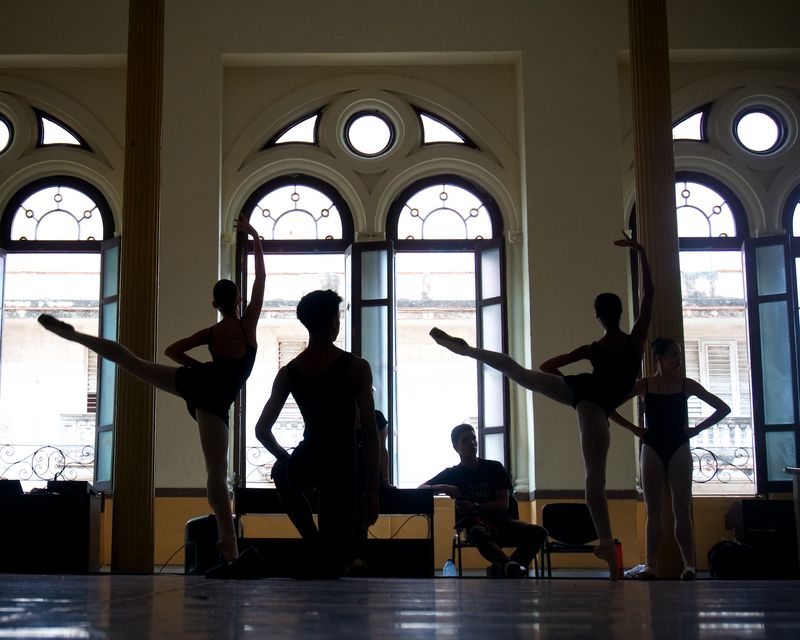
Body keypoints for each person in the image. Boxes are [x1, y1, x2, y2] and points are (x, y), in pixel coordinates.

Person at [37, 216, 265, 563]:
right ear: (238, 299)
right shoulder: (248, 325)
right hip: (214, 399)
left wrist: (198, 367)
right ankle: (229, 544)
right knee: (216, 472)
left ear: (214, 304)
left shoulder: (211, 333)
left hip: (198, 384)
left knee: (133, 362)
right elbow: (261, 278)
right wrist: (254, 236)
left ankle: (77, 336)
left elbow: (171, 351)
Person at [430, 233, 653, 580]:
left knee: (519, 372)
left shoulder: (593, 348)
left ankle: (468, 350)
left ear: (597, 316)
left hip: (582, 393)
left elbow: (547, 366)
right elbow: (649, 295)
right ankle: (607, 545)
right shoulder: (636, 340)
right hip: (595, 402)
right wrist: (640, 253)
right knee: (595, 477)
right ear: (621, 313)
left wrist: (573, 384)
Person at [251, 289, 380, 578]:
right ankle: (261, 563)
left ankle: (310, 543)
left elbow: (262, 430)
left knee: (282, 472)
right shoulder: (356, 367)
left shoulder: (290, 372)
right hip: (343, 467)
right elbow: (370, 432)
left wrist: (285, 459)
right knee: (333, 564)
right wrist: (373, 490)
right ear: (333, 322)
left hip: (308, 459)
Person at [610, 337, 731, 580]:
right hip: (652, 445)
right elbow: (609, 406)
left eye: (679, 354)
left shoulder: (686, 385)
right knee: (653, 509)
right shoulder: (644, 385)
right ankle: (651, 565)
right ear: (659, 358)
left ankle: (689, 565)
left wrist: (696, 429)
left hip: (679, 445)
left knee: (681, 507)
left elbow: (723, 408)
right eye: (674, 354)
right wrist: (635, 429)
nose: (679, 359)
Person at [419, 424, 547, 578]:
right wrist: (442, 487)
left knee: (539, 532)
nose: (472, 442)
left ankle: (505, 567)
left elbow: (503, 504)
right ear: (456, 447)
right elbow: (420, 489)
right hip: (475, 524)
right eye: (466, 440)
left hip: (503, 522)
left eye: (473, 438)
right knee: (477, 532)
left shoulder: (494, 468)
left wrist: (476, 507)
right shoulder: (453, 474)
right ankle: (508, 567)